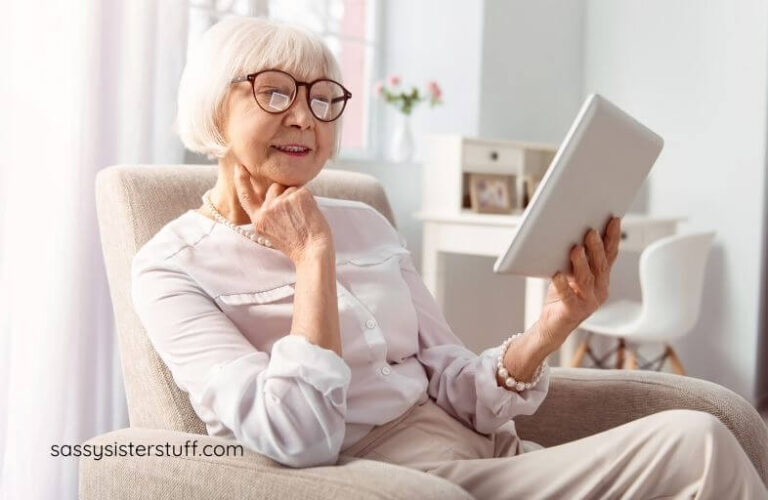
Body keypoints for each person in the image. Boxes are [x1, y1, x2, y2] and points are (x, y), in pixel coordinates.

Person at [131, 16, 768, 499]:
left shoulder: (366, 223)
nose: (305, 117)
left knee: (698, 433)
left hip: (495, 453)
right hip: (406, 482)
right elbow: (300, 437)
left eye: (323, 98)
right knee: (701, 448)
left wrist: (552, 328)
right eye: (274, 93)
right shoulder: (172, 268)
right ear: (214, 110)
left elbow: (455, 380)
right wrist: (312, 258)